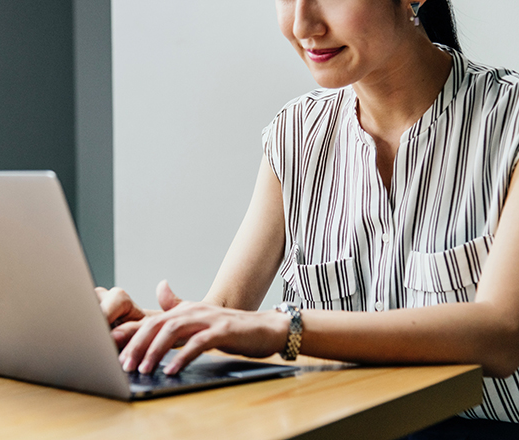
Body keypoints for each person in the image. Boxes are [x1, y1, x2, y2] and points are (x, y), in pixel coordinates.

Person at [97, 0, 519, 437]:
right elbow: (225, 312)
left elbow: (500, 336)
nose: (303, 25)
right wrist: (141, 328)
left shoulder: (511, 124)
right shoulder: (294, 133)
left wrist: (287, 328)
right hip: (336, 427)